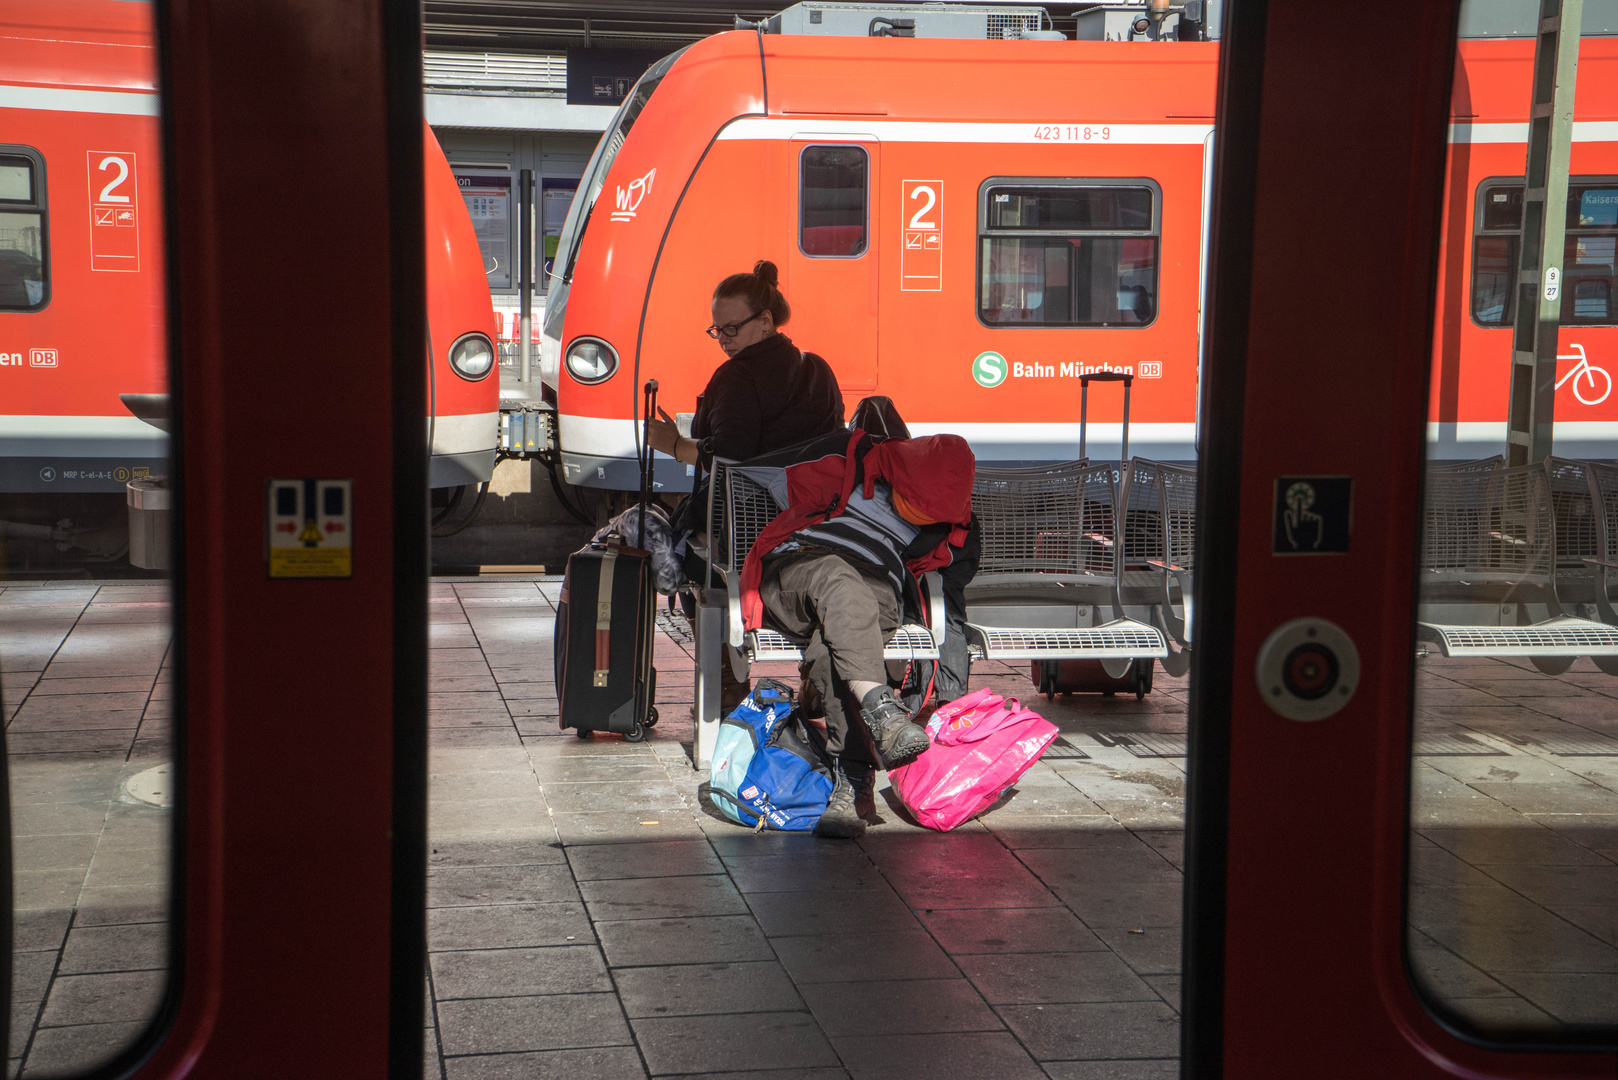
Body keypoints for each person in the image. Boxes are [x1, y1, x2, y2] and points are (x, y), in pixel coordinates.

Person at [735, 430, 977, 839]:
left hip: (876, 587)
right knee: (839, 576)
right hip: (801, 568)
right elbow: (744, 455)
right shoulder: (850, 466)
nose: (922, 514)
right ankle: (881, 711)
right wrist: (676, 446)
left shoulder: (955, 526)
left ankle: (855, 783)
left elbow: (952, 589)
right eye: (917, 501)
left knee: (835, 651)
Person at [645, 260, 847, 710]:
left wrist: (674, 444)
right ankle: (817, 683)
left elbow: (730, 458)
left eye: (732, 328)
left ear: (766, 322)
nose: (725, 340)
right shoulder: (818, 371)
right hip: (815, 522)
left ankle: (727, 687)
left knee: (690, 554)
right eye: (717, 331)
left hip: (748, 533)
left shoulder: (737, 377)